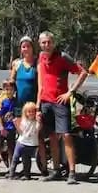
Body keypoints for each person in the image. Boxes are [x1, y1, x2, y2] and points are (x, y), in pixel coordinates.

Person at [36, 31, 89, 184]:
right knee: (52, 136)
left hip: (60, 102)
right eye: (43, 42)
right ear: (40, 44)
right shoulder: (41, 56)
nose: (46, 45)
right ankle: (56, 170)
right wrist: (38, 105)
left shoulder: (63, 57)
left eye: (49, 42)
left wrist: (70, 92)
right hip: (46, 102)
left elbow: (83, 72)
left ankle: (72, 172)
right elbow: (41, 83)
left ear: (53, 42)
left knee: (66, 135)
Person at [9, 34, 46, 174]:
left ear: (32, 47)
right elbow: (11, 82)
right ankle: (17, 167)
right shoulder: (16, 64)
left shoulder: (37, 64)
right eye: (23, 46)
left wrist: (38, 104)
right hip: (19, 105)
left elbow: (40, 86)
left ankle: (43, 167)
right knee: (21, 136)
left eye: (28, 46)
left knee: (38, 136)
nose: (25, 49)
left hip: (32, 106)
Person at [0, 80, 17, 178]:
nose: (9, 91)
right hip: (1, 128)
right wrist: (1, 127)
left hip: (11, 128)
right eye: (7, 89)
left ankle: (11, 170)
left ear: (14, 90)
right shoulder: (2, 100)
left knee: (11, 149)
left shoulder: (15, 101)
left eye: (11, 89)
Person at [9, 101, 41, 180]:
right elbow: (21, 132)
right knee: (15, 158)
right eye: (29, 112)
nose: (31, 113)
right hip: (21, 142)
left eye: (33, 111)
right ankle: (11, 174)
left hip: (31, 144)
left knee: (26, 160)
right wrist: (16, 124)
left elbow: (38, 129)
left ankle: (27, 175)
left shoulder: (36, 122)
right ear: (25, 113)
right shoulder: (23, 121)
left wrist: (39, 120)